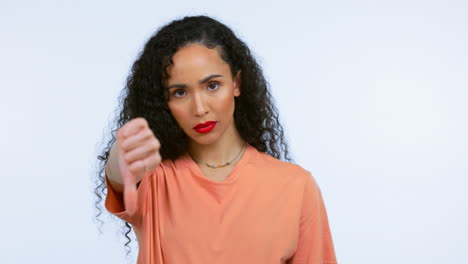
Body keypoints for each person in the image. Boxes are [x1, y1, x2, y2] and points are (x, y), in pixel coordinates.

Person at [95, 15, 337, 264]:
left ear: (236, 83)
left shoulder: (296, 186)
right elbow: (120, 176)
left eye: (212, 85)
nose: (199, 108)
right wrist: (120, 160)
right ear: (164, 102)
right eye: (180, 92)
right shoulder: (155, 181)